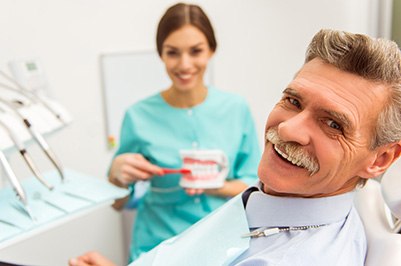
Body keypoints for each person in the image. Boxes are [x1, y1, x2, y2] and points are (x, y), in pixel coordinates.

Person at [69, 29, 401, 266]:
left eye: (333, 124)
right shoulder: (277, 198)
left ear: (380, 159)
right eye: (293, 100)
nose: (287, 129)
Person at [106, 2, 260, 263]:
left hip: (223, 246)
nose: (184, 64)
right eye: (173, 53)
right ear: (161, 54)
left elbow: (256, 187)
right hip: (157, 248)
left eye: (196, 51)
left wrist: (216, 186)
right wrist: (116, 177)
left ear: (211, 50)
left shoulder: (236, 109)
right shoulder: (138, 115)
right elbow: (118, 203)